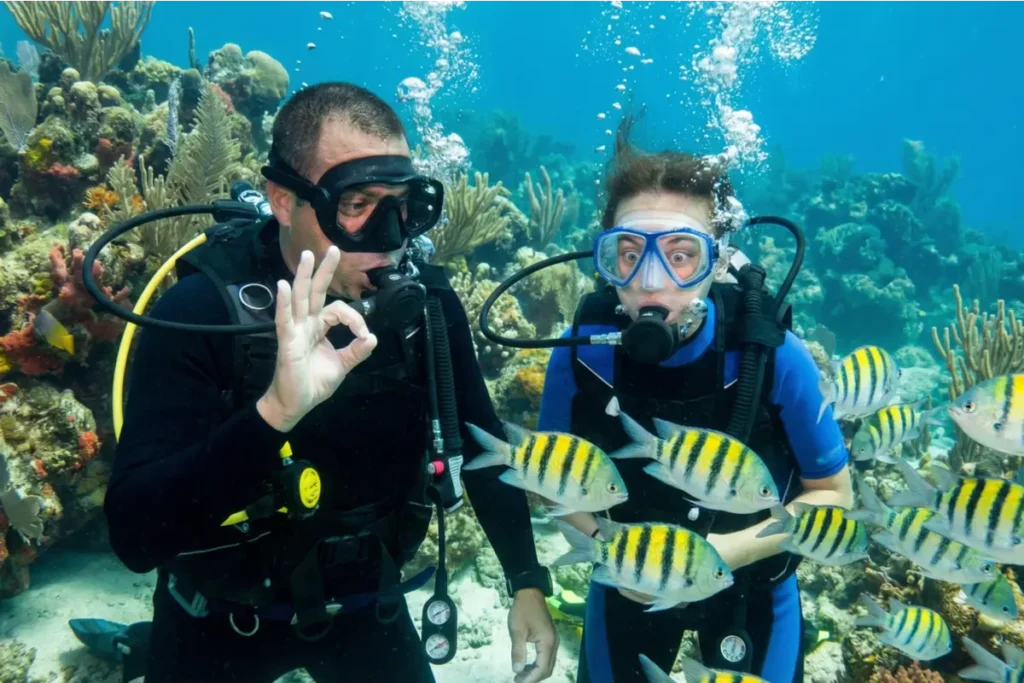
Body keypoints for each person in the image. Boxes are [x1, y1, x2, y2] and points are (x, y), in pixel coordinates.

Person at [87, 81, 558, 683]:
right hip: (220, 615)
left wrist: (525, 581)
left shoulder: (428, 311)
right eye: (357, 205)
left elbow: (485, 444)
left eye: (404, 206)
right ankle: (140, 646)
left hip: (366, 603)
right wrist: (274, 413)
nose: (390, 240)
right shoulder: (203, 310)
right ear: (284, 202)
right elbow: (134, 537)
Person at [536, 116, 853, 683]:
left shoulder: (772, 355)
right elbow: (549, 481)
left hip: (751, 590)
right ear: (604, 263)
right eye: (628, 254)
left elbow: (833, 492)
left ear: (718, 264)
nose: (652, 283)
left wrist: (727, 554)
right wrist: (605, 547)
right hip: (624, 583)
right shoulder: (583, 354)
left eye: (682, 255)